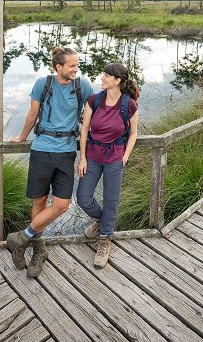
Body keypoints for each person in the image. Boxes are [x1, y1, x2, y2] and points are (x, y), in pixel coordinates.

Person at [7, 47, 93, 278]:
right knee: (40, 200)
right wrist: (23, 137)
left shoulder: (82, 86)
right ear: (58, 67)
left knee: (62, 205)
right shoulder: (42, 84)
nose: (76, 69)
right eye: (72, 65)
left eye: (77, 64)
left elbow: (94, 113)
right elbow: (32, 114)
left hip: (66, 152)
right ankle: (39, 249)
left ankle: (21, 238)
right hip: (42, 149)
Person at [77, 62, 139, 269]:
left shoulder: (129, 104)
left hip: (115, 159)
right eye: (103, 74)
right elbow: (84, 130)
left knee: (112, 201)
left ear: (118, 80)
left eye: (106, 75)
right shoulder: (94, 100)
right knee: (83, 198)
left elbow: (133, 134)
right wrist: (83, 158)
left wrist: (125, 157)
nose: (102, 78)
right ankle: (103, 222)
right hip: (93, 156)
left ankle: (105, 239)